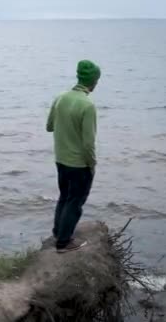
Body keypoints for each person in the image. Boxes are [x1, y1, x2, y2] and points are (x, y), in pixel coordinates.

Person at [46, 60, 101, 253]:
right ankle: (64, 242)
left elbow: (49, 126)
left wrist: (65, 125)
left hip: (60, 159)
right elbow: (88, 143)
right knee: (75, 202)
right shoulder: (87, 105)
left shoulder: (61, 97)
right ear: (93, 81)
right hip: (79, 164)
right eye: (97, 80)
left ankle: (58, 232)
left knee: (64, 197)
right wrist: (92, 164)